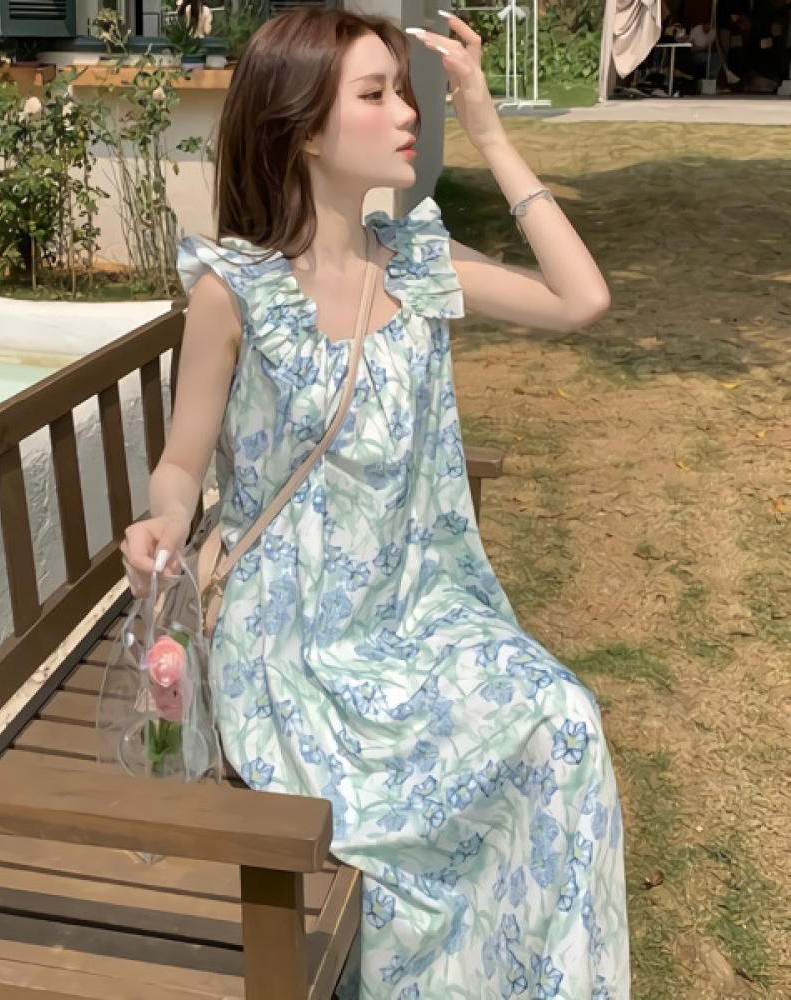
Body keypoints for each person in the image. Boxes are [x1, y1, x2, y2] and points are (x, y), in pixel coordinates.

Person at [121, 8, 630, 997]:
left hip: (421, 611)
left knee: (562, 722)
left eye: (404, 91)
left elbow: (583, 300)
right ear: (304, 127)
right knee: (397, 805)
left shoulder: (420, 263)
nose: (407, 114)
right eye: (376, 94)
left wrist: (489, 130)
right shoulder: (236, 290)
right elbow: (183, 460)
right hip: (294, 641)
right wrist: (165, 519)